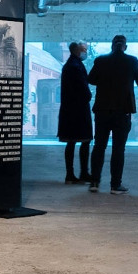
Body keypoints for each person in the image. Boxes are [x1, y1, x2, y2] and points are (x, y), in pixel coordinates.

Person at [87, 35, 138, 194]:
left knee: (99, 147)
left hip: (102, 110)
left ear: (111, 46)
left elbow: (91, 79)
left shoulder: (100, 60)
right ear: (125, 47)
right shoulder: (132, 61)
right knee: (118, 149)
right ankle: (115, 185)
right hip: (122, 111)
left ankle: (94, 183)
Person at [57, 42, 93, 184]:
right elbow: (82, 87)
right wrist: (89, 96)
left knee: (71, 141)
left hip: (70, 110)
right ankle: (81, 173)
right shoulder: (75, 66)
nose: (85, 52)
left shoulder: (70, 65)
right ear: (76, 50)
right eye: (84, 49)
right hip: (78, 110)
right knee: (84, 140)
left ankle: (71, 174)